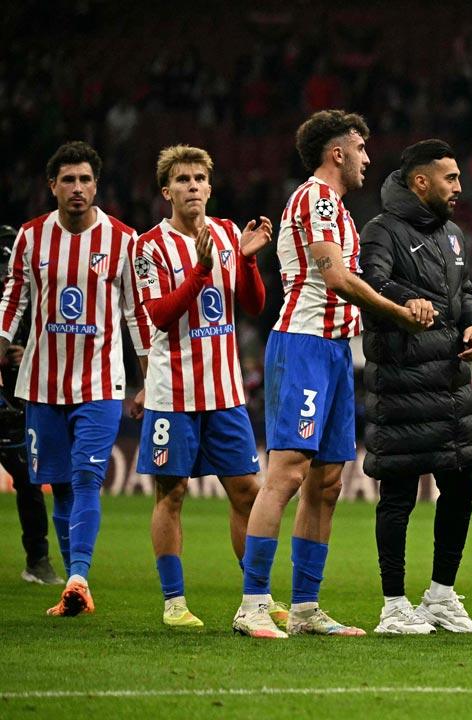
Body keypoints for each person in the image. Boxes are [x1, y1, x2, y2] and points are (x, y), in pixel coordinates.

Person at [234, 110, 433, 639]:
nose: (369, 159)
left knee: (326, 483)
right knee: (288, 472)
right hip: (302, 345)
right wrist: (397, 310)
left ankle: (305, 607)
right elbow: (339, 280)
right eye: (362, 148)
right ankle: (253, 602)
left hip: (335, 352)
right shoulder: (315, 200)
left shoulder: (341, 212)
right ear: (337, 152)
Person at [0, 141, 150, 616]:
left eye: (85, 179)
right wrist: (1, 337)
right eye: (68, 180)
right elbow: (14, 299)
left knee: (86, 478)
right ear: (52, 186)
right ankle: (73, 587)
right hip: (42, 384)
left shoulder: (124, 240)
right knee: (59, 487)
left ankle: (79, 575)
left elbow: (137, 315)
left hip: (101, 384)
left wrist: (148, 378)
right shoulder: (30, 237)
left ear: (96, 185)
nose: (78, 188)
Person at [130, 145, 272, 628]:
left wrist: (249, 263)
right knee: (171, 495)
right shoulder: (148, 246)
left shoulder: (231, 234)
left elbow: (252, 306)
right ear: (166, 190)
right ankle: (174, 603)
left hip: (226, 392)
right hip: (173, 393)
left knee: (247, 493)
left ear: (210, 187)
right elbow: (159, 316)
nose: (192, 186)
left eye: (199, 178)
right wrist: (200, 272)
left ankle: (256, 596)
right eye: (182, 179)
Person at [360, 139, 472, 635]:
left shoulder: (453, 235)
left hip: (453, 387)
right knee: (398, 496)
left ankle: (440, 596)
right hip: (403, 385)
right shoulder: (381, 231)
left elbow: (464, 292)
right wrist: (408, 300)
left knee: (460, 486)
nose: (459, 186)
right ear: (420, 182)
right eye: (450, 178)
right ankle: (394, 604)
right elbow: (371, 286)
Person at [0, 224, 64, 586]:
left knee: (28, 479)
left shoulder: (33, 298)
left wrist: (27, 354)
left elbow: (55, 336)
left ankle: (38, 559)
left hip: (17, 401)